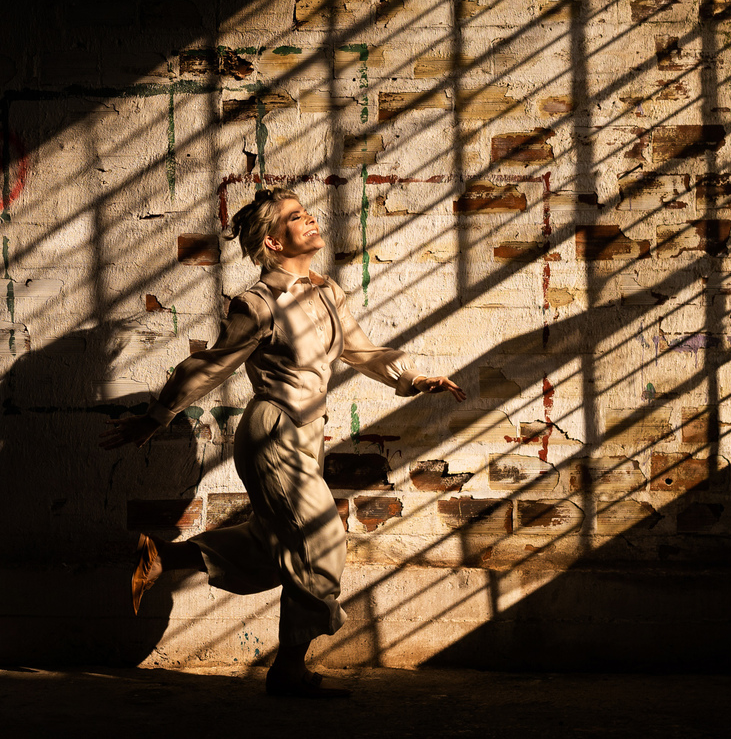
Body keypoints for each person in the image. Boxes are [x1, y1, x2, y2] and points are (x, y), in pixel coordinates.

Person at [99, 187, 465, 697]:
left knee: (275, 546)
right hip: (273, 434)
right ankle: (288, 674)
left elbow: (361, 352)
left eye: (307, 212)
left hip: (308, 437)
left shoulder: (327, 292)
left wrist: (412, 378)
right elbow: (211, 365)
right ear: (272, 242)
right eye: (296, 217)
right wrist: (158, 415)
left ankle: (162, 557)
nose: (311, 219)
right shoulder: (257, 304)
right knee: (321, 541)